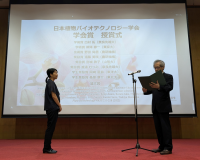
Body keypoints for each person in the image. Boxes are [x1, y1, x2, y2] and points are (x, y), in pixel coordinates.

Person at [142, 60, 173, 155]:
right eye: (155, 67)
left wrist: (159, 86)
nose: (156, 69)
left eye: (158, 67)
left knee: (165, 128)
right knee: (158, 128)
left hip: (163, 106)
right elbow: (151, 91)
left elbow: (169, 87)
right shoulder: (153, 77)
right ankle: (161, 146)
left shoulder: (168, 76)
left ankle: (168, 147)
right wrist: (145, 90)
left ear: (163, 67)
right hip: (155, 106)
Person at [43, 68, 62, 154]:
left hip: (51, 108)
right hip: (52, 108)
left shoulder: (51, 82)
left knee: (50, 128)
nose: (57, 74)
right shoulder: (50, 83)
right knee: (50, 128)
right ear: (50, 74)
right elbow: (53, 95)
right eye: (55, 73)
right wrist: (59, 105)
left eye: (57, 72)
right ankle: (47, 148)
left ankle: (47, 147)